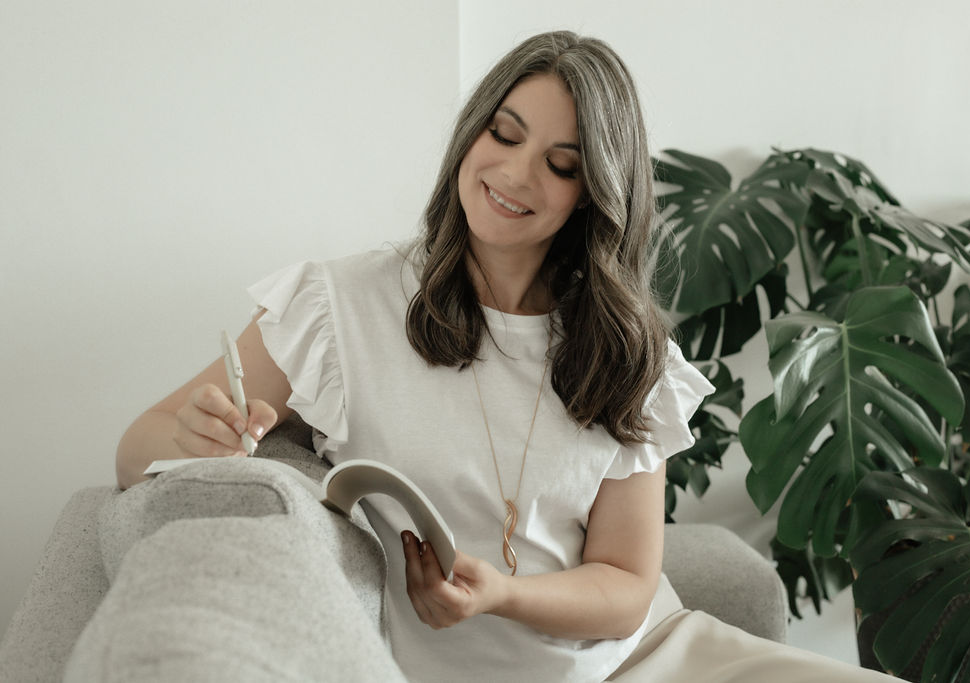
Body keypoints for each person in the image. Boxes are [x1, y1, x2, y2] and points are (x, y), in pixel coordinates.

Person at [116, 30, 901, 683]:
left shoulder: (627, 348)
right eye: (505, 133)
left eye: (562, 164)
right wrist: (191, 435)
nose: (516, 174)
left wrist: (502, 594)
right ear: (473, 132)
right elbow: (132, 451)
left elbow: (627, 587)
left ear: (593, 193)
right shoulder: (338, 306)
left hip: (644, 659)